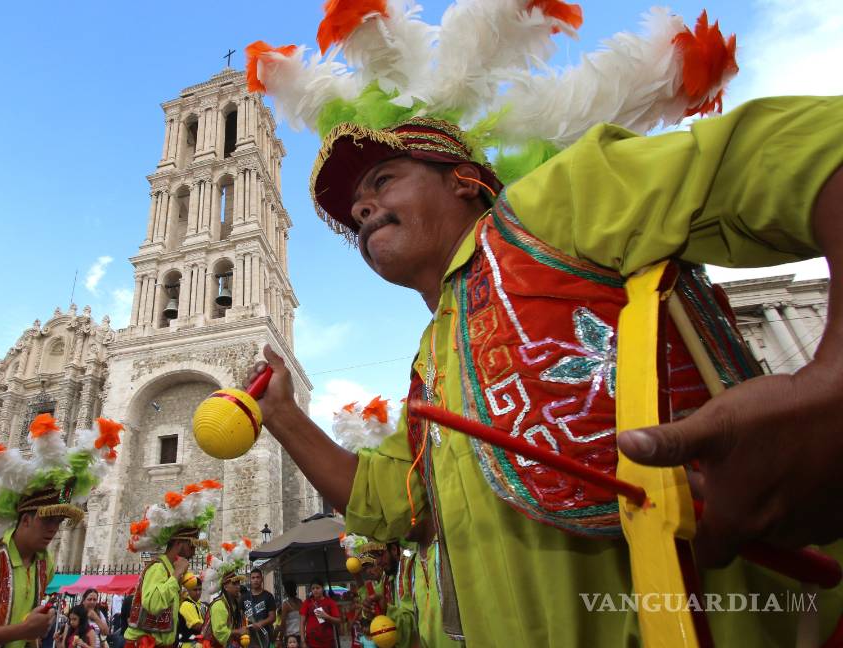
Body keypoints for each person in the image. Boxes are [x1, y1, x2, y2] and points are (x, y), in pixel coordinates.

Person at [246, 3, 843, 645]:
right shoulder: (429, 364)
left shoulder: (553, 206)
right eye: (354, 209)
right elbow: (391, 503)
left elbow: (808, 150)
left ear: (466, 181)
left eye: (383, 179)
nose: (362, 208)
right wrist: (282, 415)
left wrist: (834, 390)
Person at [0, 413, 121, 648]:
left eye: (58, 522)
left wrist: (30, 633)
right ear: (25, 520)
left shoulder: (44, 565)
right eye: (47, 521)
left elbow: (30, 631)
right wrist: (23, 630)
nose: (54, 530)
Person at [125, 481, 223, 648]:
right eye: (191, 545)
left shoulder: (169, 570)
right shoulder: (158, 568)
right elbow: (154, 605)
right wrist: (177, 574)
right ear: (179, 543)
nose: (193, 552)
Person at [200, 540, 251, 648]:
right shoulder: (219, 605)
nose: (238, 587)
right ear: (226, 586)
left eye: (239, 583)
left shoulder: (233, 604)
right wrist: (238, 632)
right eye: (235, 584)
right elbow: (219, 633)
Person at [241, 569, 275, 648]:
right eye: (253, 578)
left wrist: (261, 623)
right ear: (250, 580)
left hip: (265, 636)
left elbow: (273, 617)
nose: (255, 580)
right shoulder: (244, 597)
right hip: (249, 638)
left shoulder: (268, 596)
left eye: (258, 577)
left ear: (262, 579)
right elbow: (241, 616)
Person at [298, 583, 339, 648]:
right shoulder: (307, 602)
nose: (315, 590)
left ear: (322, 589)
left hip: (328, 643)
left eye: (317, 588)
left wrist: (327, 617)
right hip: (311, 643)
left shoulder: (330, 602)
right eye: (313, 588)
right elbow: (302, 623)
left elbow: (338, 621)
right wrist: (303, 642)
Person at [177, 578, 205, 647]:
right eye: (195, 590)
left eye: (200, 589)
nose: (198, 592)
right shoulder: (186, 604)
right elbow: (197, 626)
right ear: (188, 590)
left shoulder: (199, 604)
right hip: (188, 645)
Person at [274, 582, 301, 647]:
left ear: (286, 591)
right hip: (299, 636)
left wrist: (280, 638)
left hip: (289, 637)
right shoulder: (300, 602)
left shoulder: (286, 604)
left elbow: (283, 624)